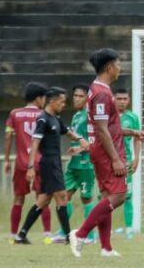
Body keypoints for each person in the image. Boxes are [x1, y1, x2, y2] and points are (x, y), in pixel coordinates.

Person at [69, 48, 144, 257]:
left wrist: (131, 132)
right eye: (119, 64)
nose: (120, 68)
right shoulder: (102, 93)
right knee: (120, 195)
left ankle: (106, 247)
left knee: (107, 196)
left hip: (100, 149)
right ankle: (81, 233)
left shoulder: (97, 89)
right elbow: (102, 129)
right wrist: (115, 159)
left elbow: (107, 125)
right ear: (110, 67)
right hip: (106, 151)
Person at [14, 87, 89, 244]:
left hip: (54, 163)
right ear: (52, 102)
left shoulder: (56, 118)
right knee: (62, 198)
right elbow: (35, 143)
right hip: (48, 163)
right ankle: (69, 237)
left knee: (43, 200)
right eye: (61, 101)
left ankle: (21, 235)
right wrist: (30, 168)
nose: (64, 104)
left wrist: (80, 139)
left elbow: (67, 131)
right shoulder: (43, 119)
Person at [4, 82, 51, 243]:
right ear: (39, 98)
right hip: (40, 162)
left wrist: (7, 160)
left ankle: (12, 235)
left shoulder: (14, 114)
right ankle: (47, 235)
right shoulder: (44, 114)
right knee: (43, 198)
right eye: (44, 98)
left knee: (18, 199)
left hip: (22, 163)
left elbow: (8, 136)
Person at [52, 84, 97, 244]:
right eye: (75, 95)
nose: (76, 99)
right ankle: (63, 231)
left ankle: (90, 236)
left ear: (87, 98)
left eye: (80, 96)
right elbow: (74, 135)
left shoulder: (91, 116)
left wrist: (82, 148)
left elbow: (98, 140)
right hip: (74, 164)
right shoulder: (77, 116)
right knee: (64, 196)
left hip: (87, 164)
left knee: (87, 198)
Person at [115, 88, 141, 239]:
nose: (122, 102)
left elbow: (137, 138)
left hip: (126, 162)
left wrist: (136, 158)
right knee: (103, 196)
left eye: (125, 99)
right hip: (108, 162)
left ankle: (129, 228)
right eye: (119, 99)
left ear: (129, 100)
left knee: (127, 195)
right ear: (114, 99)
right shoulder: (109, 116)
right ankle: (103, 227)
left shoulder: (132, 117)